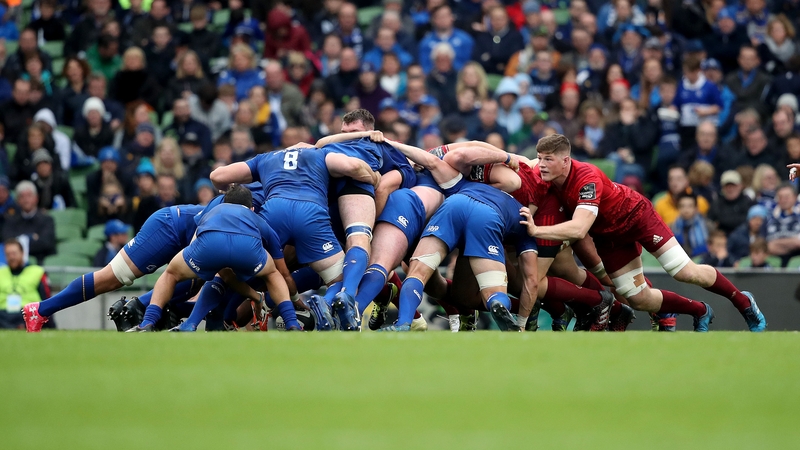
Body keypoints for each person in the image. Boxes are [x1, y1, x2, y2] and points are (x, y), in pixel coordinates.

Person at [519, 134, 766, 332]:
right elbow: (521, 162)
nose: (541, 164)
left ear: (566, 160)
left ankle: (743, 302)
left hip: (637, 217)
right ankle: (700, 310)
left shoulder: (586, 178)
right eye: (540, 158)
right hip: (610, 238)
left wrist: (536, 229)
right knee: (638, 299)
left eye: (548, 159)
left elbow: (580, 228)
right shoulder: (545, 172)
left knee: (685, 272)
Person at [210, 141, 380, 331]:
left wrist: (228, 188)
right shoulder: (320, 154)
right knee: (340, 278)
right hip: (311, 214)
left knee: (247, 267)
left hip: (274, 213)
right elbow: (354, 166)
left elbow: (217, 175)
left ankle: (223, 320)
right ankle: (326, 302)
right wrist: (374, 178)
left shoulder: (265, 158)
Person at [127, 186, 302, 332]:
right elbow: (282, 270)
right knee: (273, 274)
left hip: (210, 242)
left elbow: (196, 239)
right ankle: (292, 324)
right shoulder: (257, 218)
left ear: (224, 202)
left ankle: (148, 323)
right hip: (247, 247)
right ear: (252, 208)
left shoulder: (213, 210)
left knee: (171, 274)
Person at [23, 200, 207, 332]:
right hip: (169, 227)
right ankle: (39, 310)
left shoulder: (233, 207)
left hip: (184, 237)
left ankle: (138, 307)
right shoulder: (230, 203)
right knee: (111, 278)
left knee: (194, 282)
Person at [0, 239, 52, 329]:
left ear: (22, 253)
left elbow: (47, 300)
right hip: (3, 315)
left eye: (14, 253)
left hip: (27, 313)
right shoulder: (1, 273)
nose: (11, 257)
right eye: (8, 254)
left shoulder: (37, 272)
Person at [2, 182, 56, 264]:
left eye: (29, 196)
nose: (26, 199)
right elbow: (8, 241)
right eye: (22, 196)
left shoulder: (47, 219)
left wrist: (20, 240)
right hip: (15, 264)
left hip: (42, 262)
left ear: (36, 198)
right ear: (17, 201)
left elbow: (46, 243)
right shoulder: (10, 220)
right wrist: (31, 237)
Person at [708, 170, 755, 235]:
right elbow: (710, 222)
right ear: (722, 187)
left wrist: (722, 222)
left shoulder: (748, 202)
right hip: (721, 238)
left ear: (740, 186)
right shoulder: (716, 204)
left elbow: (750, 222)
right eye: (727, 186)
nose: (730, 189)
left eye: (733, 185)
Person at [765, 183, 800, 264]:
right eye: (780, 197)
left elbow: (798, 243)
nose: (783, 200)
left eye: (787, 197)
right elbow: (767, 246)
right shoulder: (768, 217)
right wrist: (792, 242)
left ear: (795, 197)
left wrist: (776, 243)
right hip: (773, 260)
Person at [671, 192, 709, 258]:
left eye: (690, 206)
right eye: (682, 206)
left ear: (696, 208)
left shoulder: (707, 226)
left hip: (703, 261)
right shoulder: (672, 228)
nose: (686, 210)